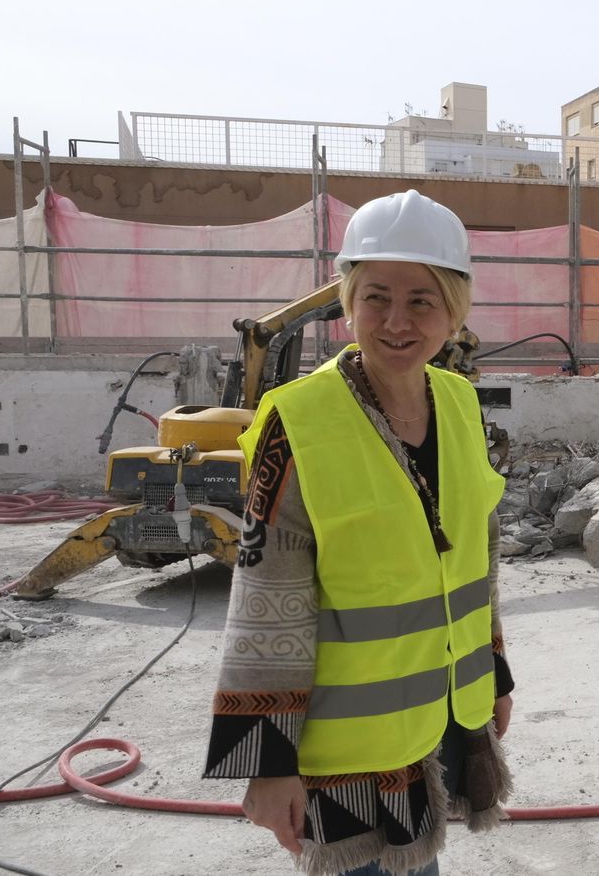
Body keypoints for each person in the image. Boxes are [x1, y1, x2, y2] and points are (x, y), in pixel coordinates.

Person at [205, 190, 513, 876]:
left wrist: (494, 673)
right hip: (340, 754)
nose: (396, 321)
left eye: (421, 301)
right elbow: (264, 596)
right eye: (376, 297)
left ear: (453, 310)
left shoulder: (459, 406)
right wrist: (266, 760)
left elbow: (473, 561)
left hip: (436, 718)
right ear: (348, 301)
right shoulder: (300, 423)